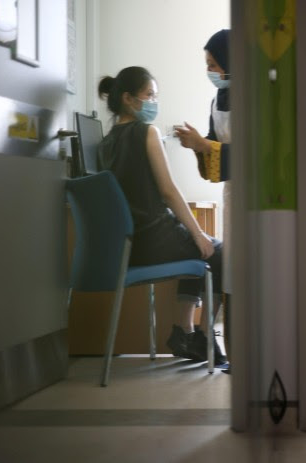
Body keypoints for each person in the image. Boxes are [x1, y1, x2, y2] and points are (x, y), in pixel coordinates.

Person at [97, 66, 226, 365]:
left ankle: (185, 331)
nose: (154, 102)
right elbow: (168, 190)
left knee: (200, 251)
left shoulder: (105, 142)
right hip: (154, 234)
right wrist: (197, 233)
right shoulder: (147, 132)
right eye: (149, 95)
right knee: (218, 251)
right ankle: (200, 336)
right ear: (128, 98)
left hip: (130, 243)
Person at [174, 29, 233, 365]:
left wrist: (202, 146)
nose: (211, 72)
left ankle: (203, 334)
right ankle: (202, 335)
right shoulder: (217, 101)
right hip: (232, 193)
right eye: (208, 65)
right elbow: (214, 168)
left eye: (214, 64)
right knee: (224, 259)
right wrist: (200, 148)